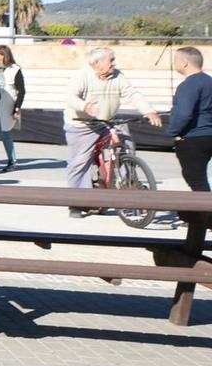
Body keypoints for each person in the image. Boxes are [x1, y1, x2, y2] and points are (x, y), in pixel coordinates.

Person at [63, 47, 164, 217]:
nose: (114, 63)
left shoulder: (117, 76)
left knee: (126, 144)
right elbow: (70, 97)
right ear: (97, 63)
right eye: (111, 60)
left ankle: (130, 187)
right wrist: (85, 106)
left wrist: (149, 111)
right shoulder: (82, 76)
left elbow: (132, 94)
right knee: (80, 162)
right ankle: (76, 203)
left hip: (106, 121)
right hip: (82, 125)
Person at [167, 46, 212, 253]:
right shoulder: (209, 81)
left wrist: (173, 131)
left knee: (196, 181)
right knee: (200, 181)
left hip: (192, 138)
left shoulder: (188, 85)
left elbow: (184, 113)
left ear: (185, 63)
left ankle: (207, 219)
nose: (175, 63)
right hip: (209, 134)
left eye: (176, 60)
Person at [0, 45, 26, 172]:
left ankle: (12, 161)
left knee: (6, 133)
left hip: (7, 106)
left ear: (4, 55)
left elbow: (21, 91)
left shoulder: (14, 69)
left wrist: (17, 108)